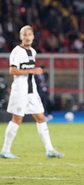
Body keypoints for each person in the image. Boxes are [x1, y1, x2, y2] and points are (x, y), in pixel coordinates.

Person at [0, 25, 64, 159]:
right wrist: (32, 70)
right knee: (17, 119)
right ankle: (5, 150)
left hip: (32, 91)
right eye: (25, 35)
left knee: (41, 118)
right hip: (20, 91)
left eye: (30, 34)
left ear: (33, 36)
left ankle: (50, 150)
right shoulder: (16, 51)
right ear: (20, 37)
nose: (27, 37)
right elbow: (12, 71)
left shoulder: (33, 52)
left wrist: (33, 71)